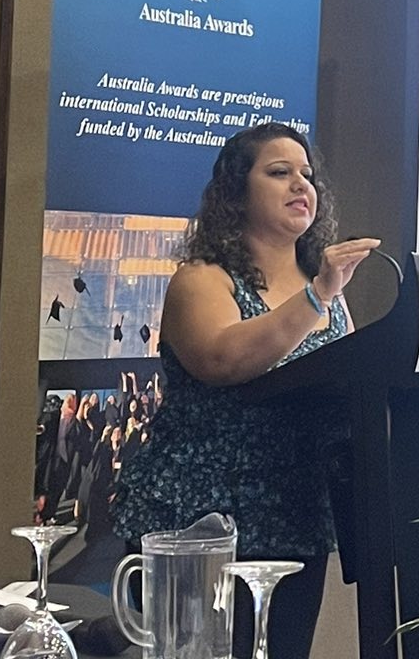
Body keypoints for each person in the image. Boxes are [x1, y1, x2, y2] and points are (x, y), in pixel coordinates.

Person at [112, 123, 378, 659]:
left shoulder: (328, 296)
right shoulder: (204, 278)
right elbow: (224, 358)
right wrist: (319, 295)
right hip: (198, 520)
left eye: (307, 175)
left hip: (295, 516)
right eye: (279, 173)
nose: (301, 184)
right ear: (237, 193)